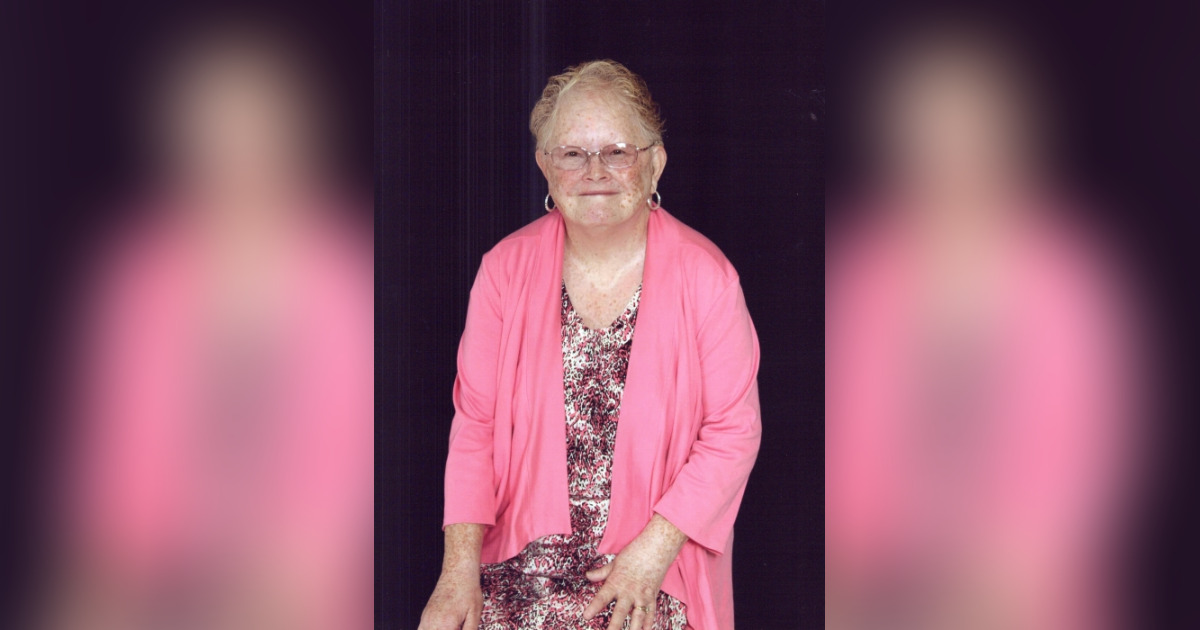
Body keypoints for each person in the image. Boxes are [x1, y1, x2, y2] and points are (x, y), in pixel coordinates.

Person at [40, 14, 372, 629]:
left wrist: (268, 584)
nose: (232, 163)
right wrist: (111, 581)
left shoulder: (347, 276)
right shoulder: (138, 273)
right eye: (211, 142)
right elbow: (115, 465)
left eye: (252, 138)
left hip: (298, 582)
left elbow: (345, 484)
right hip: (164, 570)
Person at [826, 14, 1144, 630]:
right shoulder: (864, 270)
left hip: (1025, 586)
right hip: (884, 581)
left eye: (970, 137)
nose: (951, 161)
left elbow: (1084, 463)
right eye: (929, 140)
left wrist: (999, 581)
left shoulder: (1070, 277)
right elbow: (844, 453)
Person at [419, 60, 762, 630]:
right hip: (517, 573)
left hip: (652, 573)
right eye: (573, 153)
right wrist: (457, 572)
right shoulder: (504, 270)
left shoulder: (707, 277)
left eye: (617, 152)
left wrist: (649, 558)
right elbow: (475, 426)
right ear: (544, 166)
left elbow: (733, 433)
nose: (594, 171)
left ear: (655, 163)